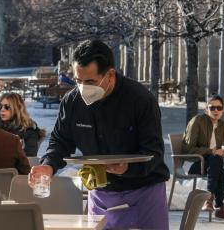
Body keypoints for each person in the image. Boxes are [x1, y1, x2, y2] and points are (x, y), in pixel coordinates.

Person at [29, 39, 170, 229]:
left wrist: (127, 168)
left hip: (143, 193)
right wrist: (48, 166)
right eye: (78, 81)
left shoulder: (140, 100)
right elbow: (61, 142)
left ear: (110, 75)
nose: (83, 88)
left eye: (90, 82)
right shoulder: (72, 102)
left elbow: (154, 152)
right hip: (100, 195)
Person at [182, 95, 224, 220]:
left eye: (219, 108)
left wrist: (223, 152)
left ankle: (213, 203)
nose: (216, 110)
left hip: (211, 165)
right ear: (206, 110)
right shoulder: (197, 121)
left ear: (223, 109)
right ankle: (217, 205)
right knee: (217, 163)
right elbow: (188, 149)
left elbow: (217, 151)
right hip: (193, 162)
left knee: (219, 167)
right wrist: (211, 151)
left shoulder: (223, 126)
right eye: (212, 107)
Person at [0, 92, 46, 157]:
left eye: (7, 107)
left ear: (17, 108)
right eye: (0, 106)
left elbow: (30, 157)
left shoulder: (29, 130)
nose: (2, 110)